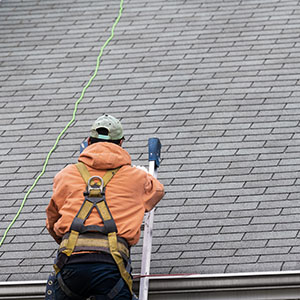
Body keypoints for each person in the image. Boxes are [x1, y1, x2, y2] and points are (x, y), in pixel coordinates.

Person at [45, 114, 164, 300]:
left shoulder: (66, 175)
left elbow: (52, 221)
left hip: (70, 262)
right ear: (121, 143)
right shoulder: (136, 178)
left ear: (88, 142)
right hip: (111, 265)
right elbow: (157, 191)